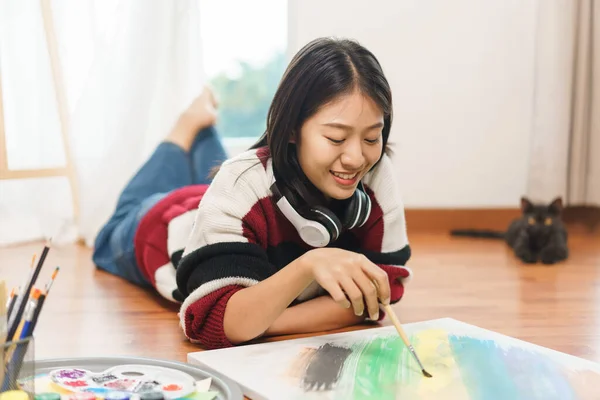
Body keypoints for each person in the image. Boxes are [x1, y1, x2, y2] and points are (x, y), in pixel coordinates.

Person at [92, 37, 412, 350]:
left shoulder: (375, 175)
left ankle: (203, 130)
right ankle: (187, 127)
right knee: (110, 232)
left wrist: (268, 321)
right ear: (289, 130)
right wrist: (308, 265)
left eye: (372, 138)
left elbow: (381, 295)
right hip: (162, 226)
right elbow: (215, 322)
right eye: (336, 138)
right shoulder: (239, 182)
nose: (357, 158)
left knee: (221, 174)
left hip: (222, 206)